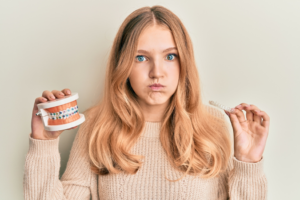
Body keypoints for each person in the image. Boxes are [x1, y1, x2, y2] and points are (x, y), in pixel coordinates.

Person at [23, 5, 270, 200]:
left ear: (184, 61)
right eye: (140, 57)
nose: (157, 72)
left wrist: (248, 164)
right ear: (123, 65)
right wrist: (43, 144)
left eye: (170, 56)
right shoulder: (97, 127)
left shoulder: (213, 124)